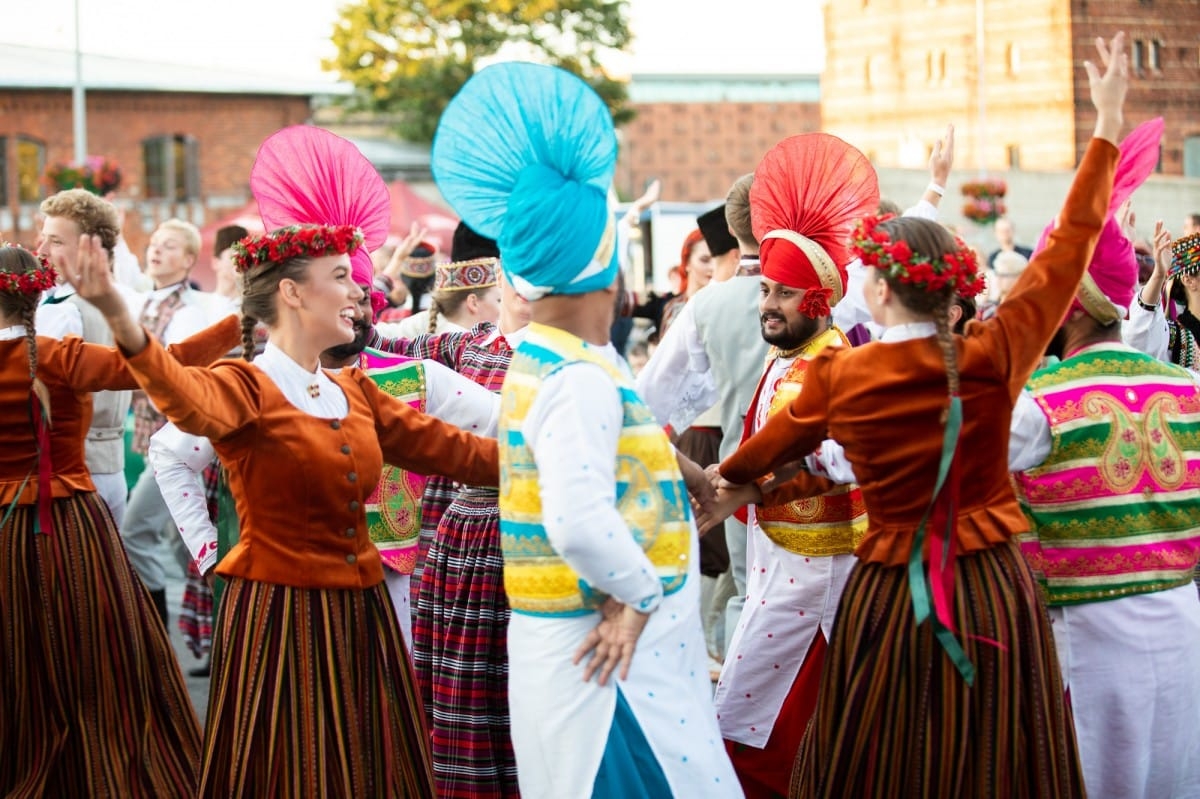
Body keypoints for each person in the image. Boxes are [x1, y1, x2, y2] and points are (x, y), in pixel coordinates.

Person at [704, 31, 1129, 796]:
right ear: (951, 289)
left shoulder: (841, 372)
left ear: (877, 291)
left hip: (889, 588)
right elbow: (1068, 247)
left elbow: (764, 450)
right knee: (995, 747)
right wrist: (1104, 128)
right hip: (993, 582)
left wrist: (729, 480)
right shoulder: (994, 352)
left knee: (888, 750)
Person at [66, 222, 499, 797]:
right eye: (341, 277)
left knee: (369, 768)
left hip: (364, 619)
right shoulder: (243, 385)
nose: (358, 292)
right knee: (292, 768)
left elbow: (465, 453)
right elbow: (179, 397)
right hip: (279, 620)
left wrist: (571, 451)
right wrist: (119, 317)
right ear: (292, 293)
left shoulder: (359, 391)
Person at [434, 60, 741, 797]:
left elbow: (602, 453)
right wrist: (636, 595)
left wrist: (680, 471)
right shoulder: (575, 376)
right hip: (603, 655)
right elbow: (576, 522)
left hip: (579, 649)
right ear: (608, 270)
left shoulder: (553, 354)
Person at [0, 244, 240, 795]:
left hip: (11, 529)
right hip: (69, 527)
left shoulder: (57, 356)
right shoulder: (58, 354)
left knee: (16, 650)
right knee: (91, 645)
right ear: (36, 295)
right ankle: (95, 760)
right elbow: (165, 361)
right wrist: (238, 325)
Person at [1008, 118, 1200, 799]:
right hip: (1181, 621)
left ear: (1068, 307)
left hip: (1086, 635)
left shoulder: (1040, 401)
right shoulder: (1189, 388)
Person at [121, 218, 223, 623]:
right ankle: (222, 619)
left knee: (136, 531)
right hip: (151, 437)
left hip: (179, 440)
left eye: (168, 245)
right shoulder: (143, 301)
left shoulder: (190, 311)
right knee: (182, 539)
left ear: (188, 259)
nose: (156, 250)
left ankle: (157, 627)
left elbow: (179, 372)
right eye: (154, 242)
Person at [35, 189, 136, 526]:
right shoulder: (122, 299)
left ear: (89, 247)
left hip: (73, 475)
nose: (42, 251)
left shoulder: (62, 312)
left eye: (55, 242)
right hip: (112, 468)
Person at [657, 229, 713, 338]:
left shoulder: (722, 303)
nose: (712, 267)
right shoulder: (675, 308)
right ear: (687, 262)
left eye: (716, 260)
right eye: (704, 260)